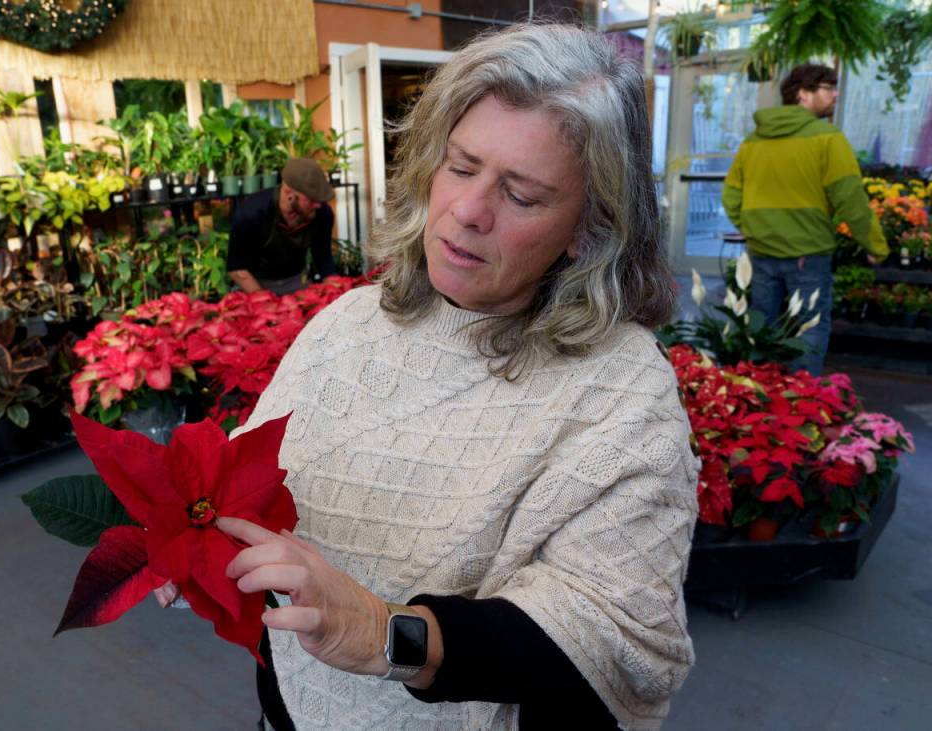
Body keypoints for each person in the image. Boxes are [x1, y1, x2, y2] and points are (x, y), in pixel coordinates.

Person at [163, 23, 698, 730]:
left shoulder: (622, 396)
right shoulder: (349, 323)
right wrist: (186, 533)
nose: (469, 212)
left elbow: (615, 637)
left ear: (589, 226)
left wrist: (386, 631)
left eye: (524, 195)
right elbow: (246, 477)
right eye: (462, 165)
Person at [722, 63, 889, 376]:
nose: (835, 94)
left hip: (761, 251)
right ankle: (801, 400)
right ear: (803, 94)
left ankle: (758, 397)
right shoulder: (827, 138)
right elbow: (850, 199)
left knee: (762, 327)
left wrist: (753, 230)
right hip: (808, 252)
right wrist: (875, 246)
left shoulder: (753, 141)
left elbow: (731, 197)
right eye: (828, 88)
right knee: (809, 328)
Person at [227, 157, 337, 295]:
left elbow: (323, 257)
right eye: (311, 199)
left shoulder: (322, 213)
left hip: (297, 282)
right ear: (288, 193)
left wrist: (335, 292)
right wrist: (264, 301)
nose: (318, 205)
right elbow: (237, 268)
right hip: (254, 283)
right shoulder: (252, 212)